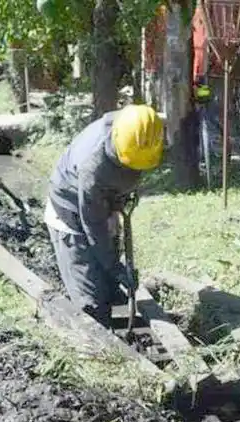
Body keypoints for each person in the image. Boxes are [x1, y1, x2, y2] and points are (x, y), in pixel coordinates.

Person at [44, 104, 164, 328]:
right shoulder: (93, 167)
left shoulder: (144, 131)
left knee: (110, 288)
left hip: (103, 202)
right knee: (91, 302)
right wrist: (114, 266)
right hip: (70, 210)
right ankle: (98, 346)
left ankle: (110, 292)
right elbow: (93, 223)